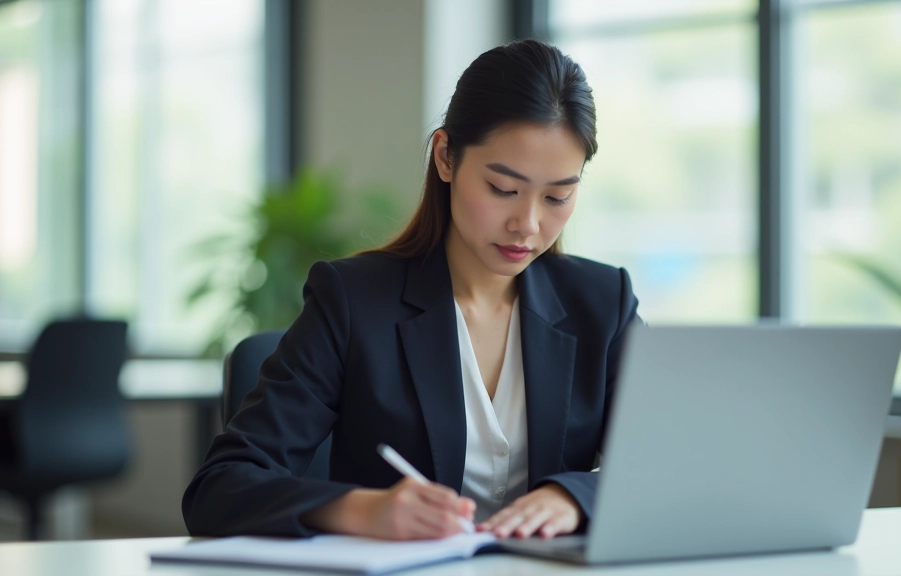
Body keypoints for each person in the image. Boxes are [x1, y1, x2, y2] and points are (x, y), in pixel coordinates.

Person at [182, 39, 639, 542]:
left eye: (558, 196)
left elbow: (672, 466)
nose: (527, 224)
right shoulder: (353, 301)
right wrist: (360, 511)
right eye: (503, 190)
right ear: (445, 157)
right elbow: (218, 488)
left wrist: (573, 495)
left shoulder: (603, 303)